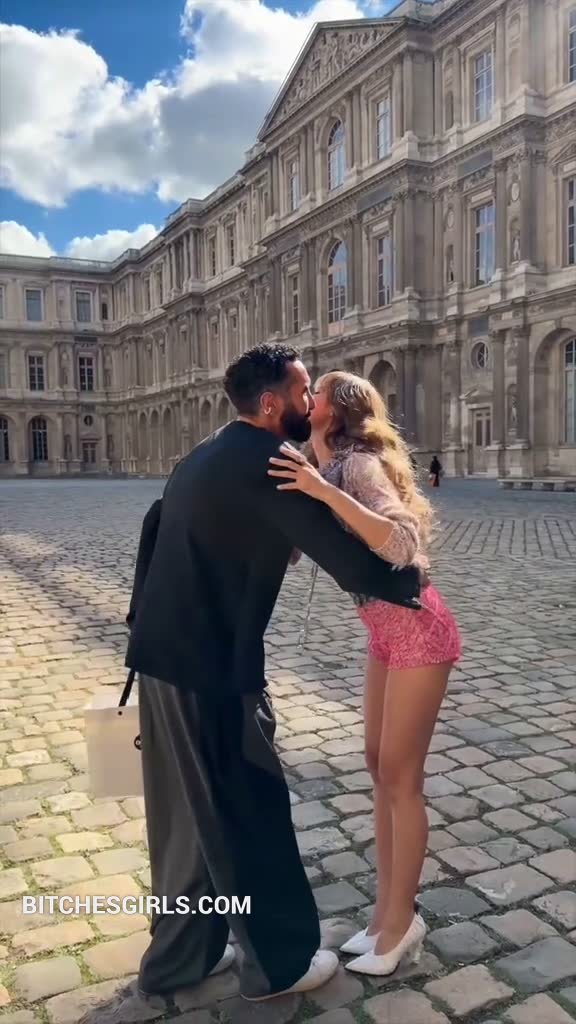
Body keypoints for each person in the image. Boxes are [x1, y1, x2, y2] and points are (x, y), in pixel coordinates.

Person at [124, 344, 422, 1005]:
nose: (310, 401)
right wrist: (409, 586)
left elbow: (158, 530)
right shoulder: (271, 462)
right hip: (212, 669)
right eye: (302, 390)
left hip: (158, 659)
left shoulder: (203, 454)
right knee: (249, 810)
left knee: (184, 826)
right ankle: (279, 965)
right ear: (270, 404)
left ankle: (178, 959)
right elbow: (345, 558)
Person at [268, 370, 461, 977]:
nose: (307, 400)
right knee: (378, 768)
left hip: (419, 627)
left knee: (401, 778)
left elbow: (402, 541)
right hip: (383, 632)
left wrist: (321, 493)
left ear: (337, 410)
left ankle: (403, 923)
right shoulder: (321, 468)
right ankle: (383, 915)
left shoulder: (355, 466)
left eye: (317, 392)